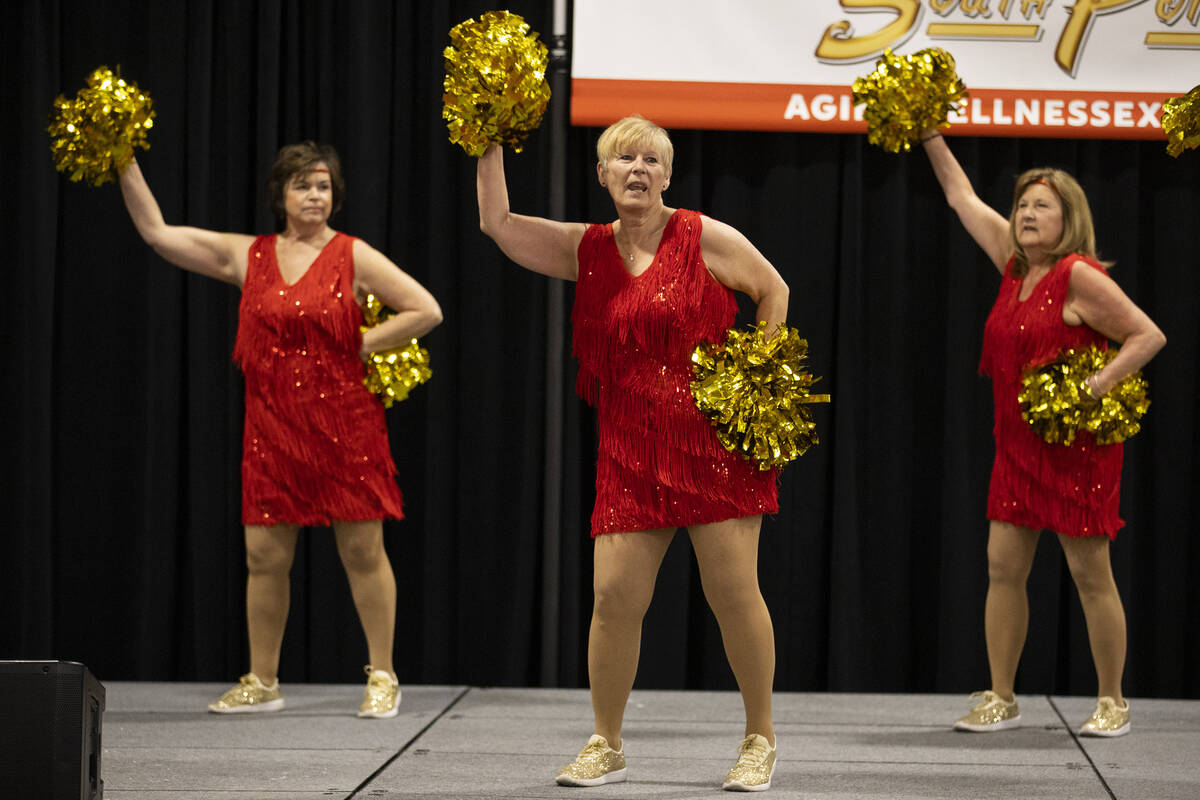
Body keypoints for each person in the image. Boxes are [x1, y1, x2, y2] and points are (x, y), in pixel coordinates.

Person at [476, 115, 789, 791]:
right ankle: (606, 743)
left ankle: (760, 739)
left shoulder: (702, 235)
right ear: (603, 175)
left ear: (668, 176)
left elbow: (774, 291)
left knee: (734, 596)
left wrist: (754, 381)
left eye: (652, 159)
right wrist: (489, 138)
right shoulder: (584, 248)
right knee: (614, 599)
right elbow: (498, 223)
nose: (638, 169)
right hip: (628, 450)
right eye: (624, 158)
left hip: (713, 444)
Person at [118, 141, 442, 718]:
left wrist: (359, 344)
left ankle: (384, 675)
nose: (313, 195)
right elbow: (157, 233)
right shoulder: (249, 255)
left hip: (346, 422)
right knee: (264, 557)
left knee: (363, 551)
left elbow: (425, 309)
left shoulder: (352, 255)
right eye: (302, 185)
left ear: (334, 196)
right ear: (281, 195)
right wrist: (124, 159)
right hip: (272, 425)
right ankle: (262, 680)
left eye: (322, 186)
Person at [919, 129, 1165, 737]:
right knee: (1002, 567)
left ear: (1068, 219)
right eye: (1022, 204)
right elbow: (960, 196)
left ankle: (1112, 700)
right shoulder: (1012, 265)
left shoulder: (1079, 276)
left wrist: (1096, 386)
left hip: (1077, 451)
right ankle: (1000, 695)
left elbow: (1148, 335)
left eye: (1041, 206)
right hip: (1018, 447)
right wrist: (928, 133)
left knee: (1089, 572)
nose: (1027, 214)